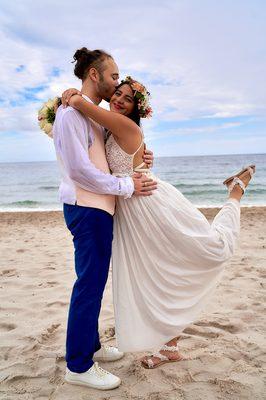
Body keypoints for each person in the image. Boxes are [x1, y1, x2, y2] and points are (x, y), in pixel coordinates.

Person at [62, 76, 255, 370]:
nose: (119, 100)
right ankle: (170, 346)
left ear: (137, 108)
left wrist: (71, 95)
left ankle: (236, 191)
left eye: (128, 98)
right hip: (132, 209)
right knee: (158, 272)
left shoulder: (124, 125)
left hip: (150, 204)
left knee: (204, 252)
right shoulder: (110, 127)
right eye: (117, 93)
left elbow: (79, 104)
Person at [53, 48, 157, 390]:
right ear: (94, 75)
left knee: (94, 284)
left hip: (100, 207)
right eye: (113, 76)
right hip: (87, 207)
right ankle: (79, 366)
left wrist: (140, 158)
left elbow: (111, 155)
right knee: (89, 286)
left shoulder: (89, 115)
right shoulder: (71, 115)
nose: (116, 84)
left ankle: (92, 347)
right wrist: (126, 185)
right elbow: (80, 171)